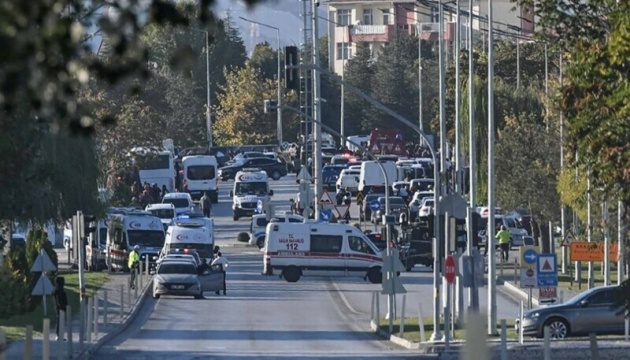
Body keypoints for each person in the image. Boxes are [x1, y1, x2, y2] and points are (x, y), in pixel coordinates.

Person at [53, 276, 68, 341]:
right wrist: (62, 306)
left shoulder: (59, 289)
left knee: (60, 321)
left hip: (61, 307)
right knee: (59, 321)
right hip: (60, 308)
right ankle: (58, 335)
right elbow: (58, 299)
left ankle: (60, 335)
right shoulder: (58, 289)